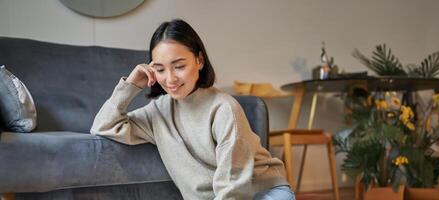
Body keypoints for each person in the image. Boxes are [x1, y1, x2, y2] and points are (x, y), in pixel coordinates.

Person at [91, 19, 294, 200]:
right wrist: (130, 86)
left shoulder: (224, 109)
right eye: (160, 69)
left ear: (199, 61)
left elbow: (234, 187)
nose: (170, 79)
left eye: (179, 66)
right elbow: (103, 126)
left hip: (261, 191)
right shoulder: (158, 112)